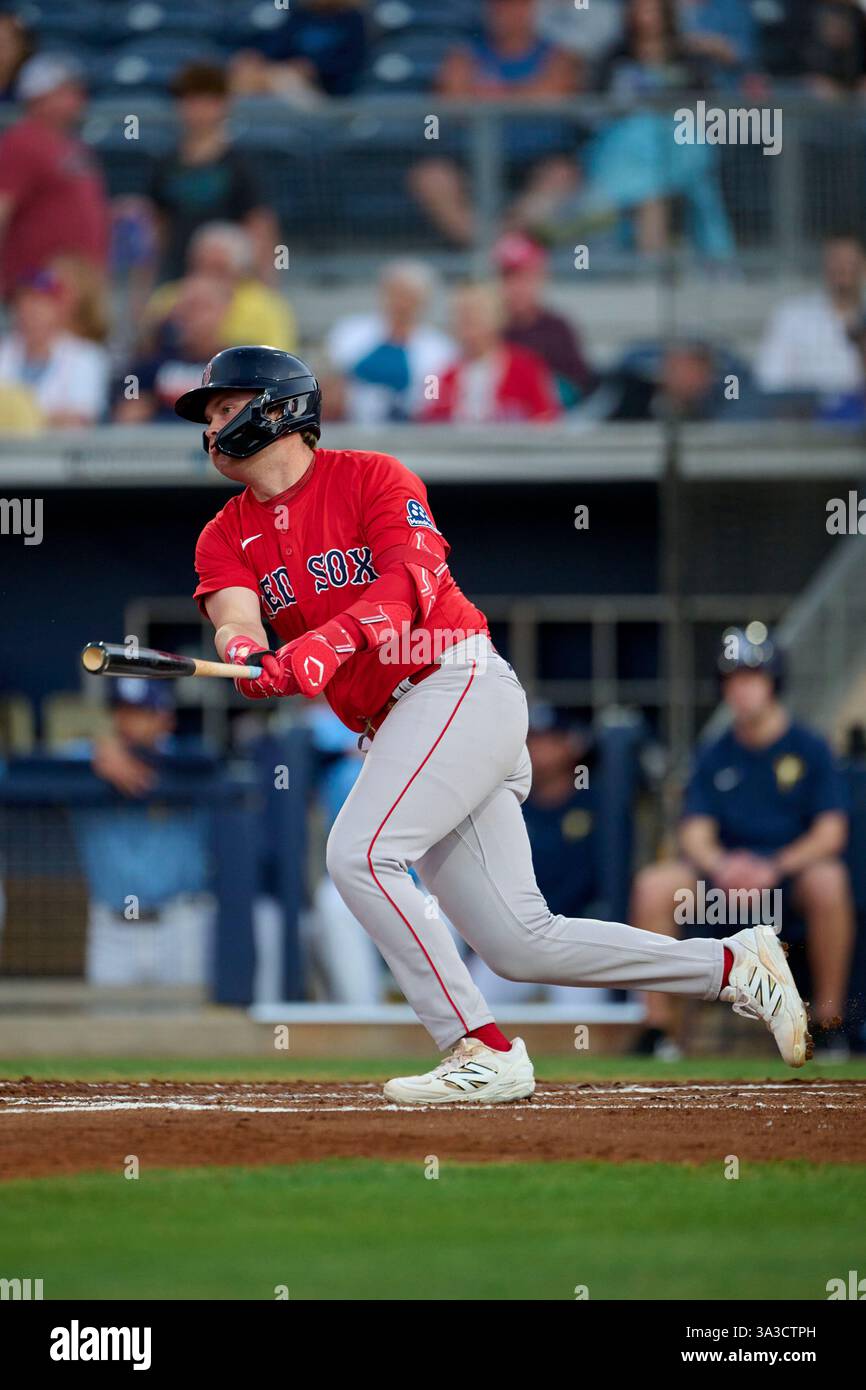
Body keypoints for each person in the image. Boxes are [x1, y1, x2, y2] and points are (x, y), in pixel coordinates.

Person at [173, 345, 813, 1104]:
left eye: (222, 408)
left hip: (454, 684)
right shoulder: (223, 533)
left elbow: (406, 586)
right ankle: (738, 966)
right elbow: (235, 618)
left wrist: (323, 643)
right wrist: (249, 655)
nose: (212, 427)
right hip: (399, 724)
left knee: (359, 854)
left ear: (278, 409)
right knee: (519, 941)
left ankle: (477, 1047)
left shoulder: (373, 476)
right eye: (209, 414)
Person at [631, 625, 854, 1060]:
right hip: (724, 887)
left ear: (773, 684)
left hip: (786, 883)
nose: (742, 690)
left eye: (752, 678)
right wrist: (723, 866)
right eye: (733, 680)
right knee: (653, 885)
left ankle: (828, 1025)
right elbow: (693, 830)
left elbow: (831, 832)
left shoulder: (810, 748)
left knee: (830, 880)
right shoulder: (714, 752)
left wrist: (775, 866)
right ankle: (657, 1029)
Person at [69, 679, 213, 987]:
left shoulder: (190, 764)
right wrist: (98, 751)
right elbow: (38, 765)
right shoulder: (87, 761)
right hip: (112, 927)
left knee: (188, 1032)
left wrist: (148, 761)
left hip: (180, 923)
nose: (128, 721)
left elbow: (210, 761)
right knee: (111, 1033)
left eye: (142, 712)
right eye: (122, 711)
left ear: (166, 718)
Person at [408, 0, 579, 246]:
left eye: (515, 7)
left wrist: (490, 93)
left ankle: (507, 242)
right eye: (499, 7)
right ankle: (484, 246)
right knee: (430, 176)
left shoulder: (556, 53)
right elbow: (452, 102)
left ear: (530, 10)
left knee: (561, 176)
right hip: (470, 156)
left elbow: (551, 96)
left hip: (537, 157)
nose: (506, 14)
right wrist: (523, 95)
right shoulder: (465, 53)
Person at [147, 63, 278, 283]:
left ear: (223, 105)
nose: (197, 111)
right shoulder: (165, 164)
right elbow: (157, 229)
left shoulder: (241, 165)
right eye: (190, 101)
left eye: (206, 101)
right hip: (179, 279)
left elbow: (260, 227)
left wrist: (265, 284)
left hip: (230, 283)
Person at [0, 54, 109, 299]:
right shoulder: (22, 141)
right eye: (64, 91)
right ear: (38, 98)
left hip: (79, 285)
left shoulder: (73, 144)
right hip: (38, 284)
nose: (76, 98)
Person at [324, 259, 454, 424]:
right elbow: (330, 386)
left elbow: (431, 402)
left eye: (409, 296)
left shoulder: (439, 349)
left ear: (423, 301)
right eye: (395, 293)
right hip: (351, 429)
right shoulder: (349, 333)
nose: (401, 303)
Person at [144, 222, 298, 355]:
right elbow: (143, 350)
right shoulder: (168, 297)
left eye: (219, 269)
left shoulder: (268, 307)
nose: (209, 277)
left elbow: (279, 364)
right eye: (201, 266)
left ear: (240, 271)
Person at [421, 283, 561, 424]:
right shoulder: (443, 375)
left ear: (496, 320)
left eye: (474, 316)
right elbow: (428, 423)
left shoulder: (526, 368)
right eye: (460, 317)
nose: (466, 324)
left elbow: (547, 418)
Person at [493, 232, 595, 406]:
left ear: (541, 278)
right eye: (508, 278)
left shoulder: (557, 329)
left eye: (525, 277)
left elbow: (580, 387)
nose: (516, 287)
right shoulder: (491, 330)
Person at [756, 235, 866, 395]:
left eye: (849, 261)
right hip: (806, 414)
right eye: (836, 260)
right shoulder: (791, 315)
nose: (842, 268)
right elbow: (769, 378)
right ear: (824, 265)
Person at [115, 273, 231, 423]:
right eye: (185, 307)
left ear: (223, 311)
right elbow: (127, 413)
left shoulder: (237, 363)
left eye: (202, 307)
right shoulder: (148, 362)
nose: (191, 316)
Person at [0, 269, 109, 426]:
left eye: (37, 301)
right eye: (21, 302)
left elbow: (79, 420)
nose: (28, 310)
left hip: (62, 450)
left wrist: (17, 417)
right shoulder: (4, 350)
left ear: (59, 307)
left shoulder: (86, 356)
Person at [230, 0, 368, 102]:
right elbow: (276, 50)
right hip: (286, 76)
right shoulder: (299, 16)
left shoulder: (352, 20)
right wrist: (256, 57)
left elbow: (350, 64)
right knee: (248, 74)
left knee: (284, 79)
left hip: (327, 89)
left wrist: (313, 69)